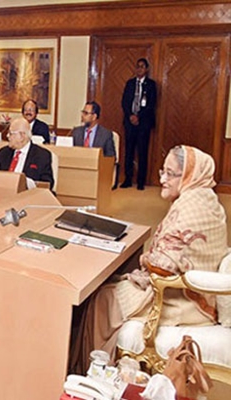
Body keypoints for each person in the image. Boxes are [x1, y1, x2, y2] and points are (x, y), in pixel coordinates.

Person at [69, 146, 227, 374]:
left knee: (102, 298)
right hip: (190, 290)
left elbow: (164, 264)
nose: (162, 179)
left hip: (185, 300)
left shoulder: (193, 206)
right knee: (109, 286)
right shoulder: (204, 198)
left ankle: (96, 373)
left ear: (189, 175)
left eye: (170, 174)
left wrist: (144, 260)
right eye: (163, 171)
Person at [121, 58, 157, 190]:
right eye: (137, 66)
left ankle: (141, 181)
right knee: (129, 151)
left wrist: (138, 116)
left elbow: (151, 104)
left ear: (146, 69)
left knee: (142, 152)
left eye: (142, 67)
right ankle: (128, 179)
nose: (139, 69)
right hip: (129, 122)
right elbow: (124, 102)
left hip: (143, 123)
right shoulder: (130, 83)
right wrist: (130, 115)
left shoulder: (151, 85)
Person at [0, 117, 54, 189]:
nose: (7, 136)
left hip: (29, 194)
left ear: (22, 136)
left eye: (11, 133)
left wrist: (26, 182)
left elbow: (47, 183)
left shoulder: (42, 155)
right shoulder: (3, 153)